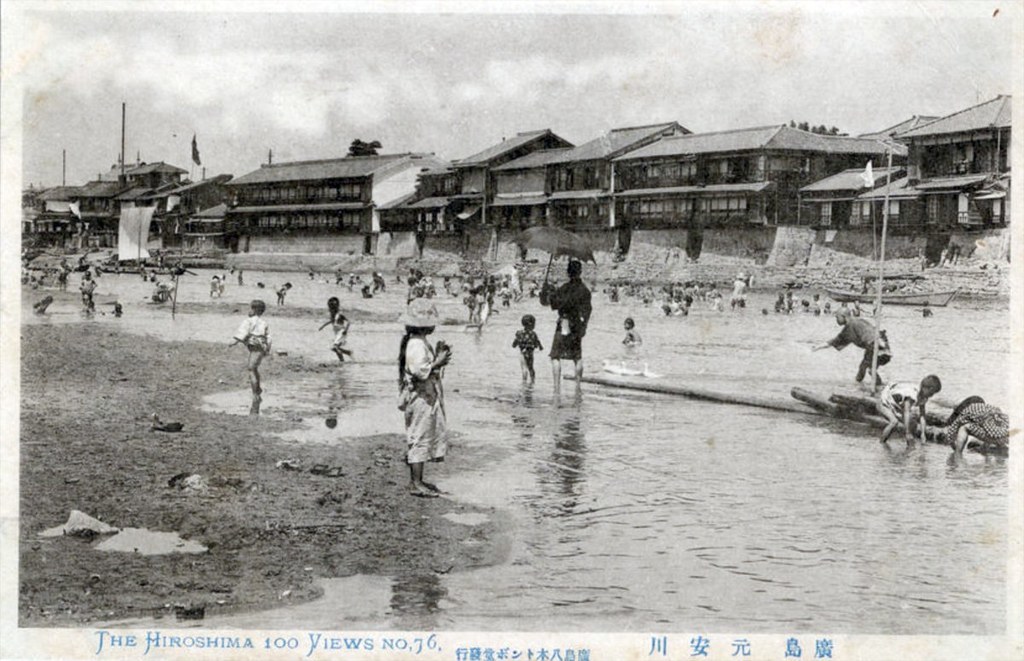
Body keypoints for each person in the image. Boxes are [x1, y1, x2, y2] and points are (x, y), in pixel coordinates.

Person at [397, 299, 452, 498]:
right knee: (419, 436)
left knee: (423, 434)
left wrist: (437, 357)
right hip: (420, 396)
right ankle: (415, 482)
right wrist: (438, 361)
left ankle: (418, 479)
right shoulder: (416, 343)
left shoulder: (417, 341)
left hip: (424, 394)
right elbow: (420, 372)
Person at [540, 259, 592, 393]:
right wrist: (584, 326)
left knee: (555, 356)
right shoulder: (585, 291)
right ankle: (578, 387)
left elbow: (552, 304)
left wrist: (546, 292)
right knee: (577, 357)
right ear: (580, 272)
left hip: (563, 323)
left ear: (568, 272)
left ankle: (557, 388)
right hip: (577, 325)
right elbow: (588, 310)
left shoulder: (564, 288)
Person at [812, 309, 891, 386]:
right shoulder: (856, 323)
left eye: (837, 317)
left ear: (844, 317)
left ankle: (859, 385)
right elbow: (835, 341)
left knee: (866, 368)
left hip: (875, 344)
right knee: (866, 368)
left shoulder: (852, 325)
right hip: (880, 344)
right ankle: (875, 387)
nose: (836, 320)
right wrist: (818, 347)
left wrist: (818, 347)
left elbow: (834, 341)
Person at [877, 375, 942, 445]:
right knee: (894, 422)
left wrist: (923, 433)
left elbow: (922, 415)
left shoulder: (924, 397)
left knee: (913, 424)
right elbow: (906, 412)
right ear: (925, 388)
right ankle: (882, 443)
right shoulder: (911, 394)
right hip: (884, 403)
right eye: (931, 393)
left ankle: (909, 442)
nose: (931, 395)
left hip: (895, 406)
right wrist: (907, 432)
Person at [230, 299, 271, 408]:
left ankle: (255, 394)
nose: (249, 311)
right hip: (261, 347)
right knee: (254, 368)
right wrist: (267, 349)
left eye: (251, 308)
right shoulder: (264, 322)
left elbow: (242, 333)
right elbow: (268, 337)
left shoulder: (249, 321)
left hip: (255, 347)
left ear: (254, 310)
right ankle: (258, 389)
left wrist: (234, 342)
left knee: (251, 369)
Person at [941, 396, 1010, 455]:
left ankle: (958, 455)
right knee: (987, 424)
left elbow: (951, 433)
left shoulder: (965, 411)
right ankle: (989, 450)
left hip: (996, 437)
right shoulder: (988, 408)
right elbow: (989, 425)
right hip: (1007, 436)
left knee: (964, 428)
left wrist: (953, 446)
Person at [318, 296, 352, 363]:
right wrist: (323, 326)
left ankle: (342, 361)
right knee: (334, 348)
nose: (331, 309)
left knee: (335, 347)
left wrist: (346, 330)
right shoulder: (333, 314)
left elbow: (348, 322)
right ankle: (348, 353)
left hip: (342, 332)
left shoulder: (340, 314)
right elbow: (331, 321)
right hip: (337, 332)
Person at [512, 314, 543, 383]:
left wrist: (514, 345)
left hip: (522, 352)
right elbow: (537, 342)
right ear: (531, 324)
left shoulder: (519, 333)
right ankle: (532, 380)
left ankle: (524, 381)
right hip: (530, 352)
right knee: (531, 368)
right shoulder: (533, 334)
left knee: (524, 368)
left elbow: (515, 342)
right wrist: (540, 347)